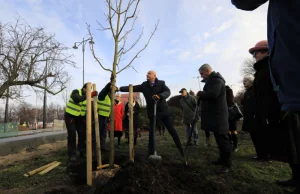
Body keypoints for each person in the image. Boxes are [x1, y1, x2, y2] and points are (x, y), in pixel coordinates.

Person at [232, 2, 300, 193]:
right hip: (287, 103)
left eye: (256, 52)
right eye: (253, 53)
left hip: (287, 104)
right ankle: (296, 177)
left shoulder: (269, 66)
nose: (254, 56)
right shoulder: (267, 67)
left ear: (266, 52)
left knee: (294, 142)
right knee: (292, 145)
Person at [118, 70, 185, 158]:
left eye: (149, 73)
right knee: (152, 134)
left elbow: (167, 92)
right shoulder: (144, 85)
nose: (147, 75)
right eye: (147, 74)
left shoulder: (161, 83)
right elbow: (133, 88)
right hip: (153, 113)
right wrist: (119, 88)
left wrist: (160, 96)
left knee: (172, 131)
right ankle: (151, 153)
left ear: (154, 75)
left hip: (163, 112)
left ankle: (181, 151)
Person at [197, 64, 232, 174]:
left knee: (223, 140)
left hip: (219, 116)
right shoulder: (212, 81)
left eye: (202, 74)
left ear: (208, 71)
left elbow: (213, 95)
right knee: (219, 139)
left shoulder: (217, 81)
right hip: (215, 116)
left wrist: (200, 94)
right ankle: (222, 159)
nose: (201, 76)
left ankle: (227, 164)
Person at [64, 83, 97, 162]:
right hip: (70, 116)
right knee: (72, 134)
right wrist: (89, 95)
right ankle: (72, 154)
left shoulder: (86, 97)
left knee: (82, 133)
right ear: (84, 88)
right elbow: (77, 99)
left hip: (79, 117)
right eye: (87, 90)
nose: (88, 92)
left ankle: (82, 151)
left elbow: (85, 109)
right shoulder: (76, 92)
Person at [241, 75, 258, 158]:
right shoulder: (247, 92)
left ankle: (264, 154)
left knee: (258, 136)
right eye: (243, 81)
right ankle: (259, 153)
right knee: (253, 136)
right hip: (249, 118)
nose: (243, 82)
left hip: (255, 118)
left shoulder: (255, 90)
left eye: (245, 81)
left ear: (251, 81)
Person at [97, 79, 113, 152]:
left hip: (105, 117)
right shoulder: (103, 94)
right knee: (99, 132)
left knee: (104, 133)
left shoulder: (110, 98)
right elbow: (105, 90)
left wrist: (109, 117)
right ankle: (97, 147)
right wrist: (110, 83)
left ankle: (102, 146)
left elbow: (109, 108)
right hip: (99, 116)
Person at [226, 85, 240, 152]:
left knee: (233, 130)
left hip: (231, 114)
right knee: (229, 130)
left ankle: (235, 145)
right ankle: (232, 144)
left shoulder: (228, 90)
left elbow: (229, 101)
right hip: (228, 114)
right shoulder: (226, 90)